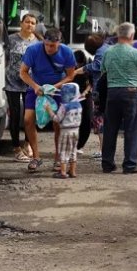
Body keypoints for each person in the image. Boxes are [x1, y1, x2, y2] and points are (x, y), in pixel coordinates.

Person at [19, 28, 77, 172]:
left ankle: (58, 158)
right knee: (27, 119)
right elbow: (23, 72)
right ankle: (36, 157)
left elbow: (70, 76)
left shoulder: (67, 52)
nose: (49, 48)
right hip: (36, 88)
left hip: (57, 91)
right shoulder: (33, 50)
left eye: (53, 46)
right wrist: (35, 86)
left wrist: (53, 87)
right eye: (47, 45)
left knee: (57, 123)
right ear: (43, 41)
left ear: (59, 43)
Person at [101, 22, 137, 174]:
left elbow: (103, 69)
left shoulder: (108, 52)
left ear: (118, 35)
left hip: (112, 92)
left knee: (110, 129)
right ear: (131, 36)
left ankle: (107, 163)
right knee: (132, 129)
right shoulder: (135, 53)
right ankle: (130, 164)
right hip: (131, 92)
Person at [6, 14, 39, 162]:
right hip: (12, 81)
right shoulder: (11, 39)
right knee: (15, 114)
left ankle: (27, 144)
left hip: (30, 82)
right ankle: (16, 148)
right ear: (21, 23)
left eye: (32, 23)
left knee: (29, 115)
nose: (29, 25)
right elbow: (4, 57)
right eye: (27, 22)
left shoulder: (37, 42)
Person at [48, 83, 83, 179]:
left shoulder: (64, 106)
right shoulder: (79, 105)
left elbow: (57, 119)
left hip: (65, 131)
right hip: (76, 131)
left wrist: (49, 111)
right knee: (73, 150)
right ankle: (72, 171)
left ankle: (63, 172)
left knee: (64, 150)